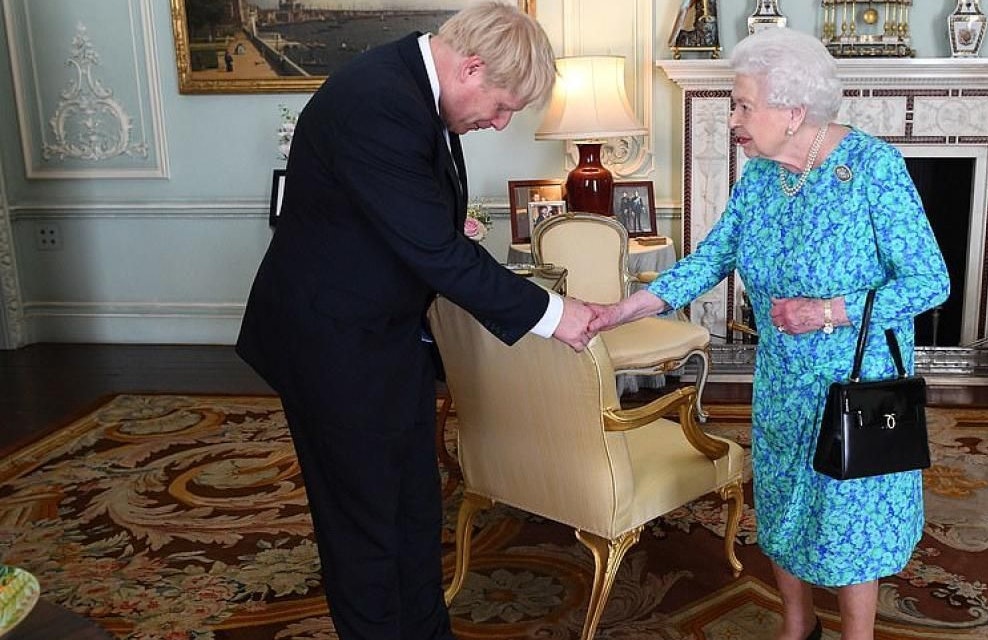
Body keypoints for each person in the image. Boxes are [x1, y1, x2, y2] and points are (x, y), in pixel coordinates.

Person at [235, 4, 595, 639]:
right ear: (472, 67)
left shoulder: (412, 88)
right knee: (365, 526)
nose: (500, 122)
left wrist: (436, 229)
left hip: (385, 333)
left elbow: (419, 225)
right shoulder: (379, 100)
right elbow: (435, 251)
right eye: (503, 105)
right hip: (331, 344)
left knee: (414, 505)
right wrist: (556, 315)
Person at [588, 27, 949, 640]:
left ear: (793, 110)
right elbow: (710, 260)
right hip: (783, 379)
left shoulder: (871, 168)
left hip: (856, 381)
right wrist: (621, 311)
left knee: (848, 513)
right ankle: (796, 623)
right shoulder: (761, 178)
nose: (734, 119)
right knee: (782, 504)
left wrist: (826, 310)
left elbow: (929, 281)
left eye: (744, 105)